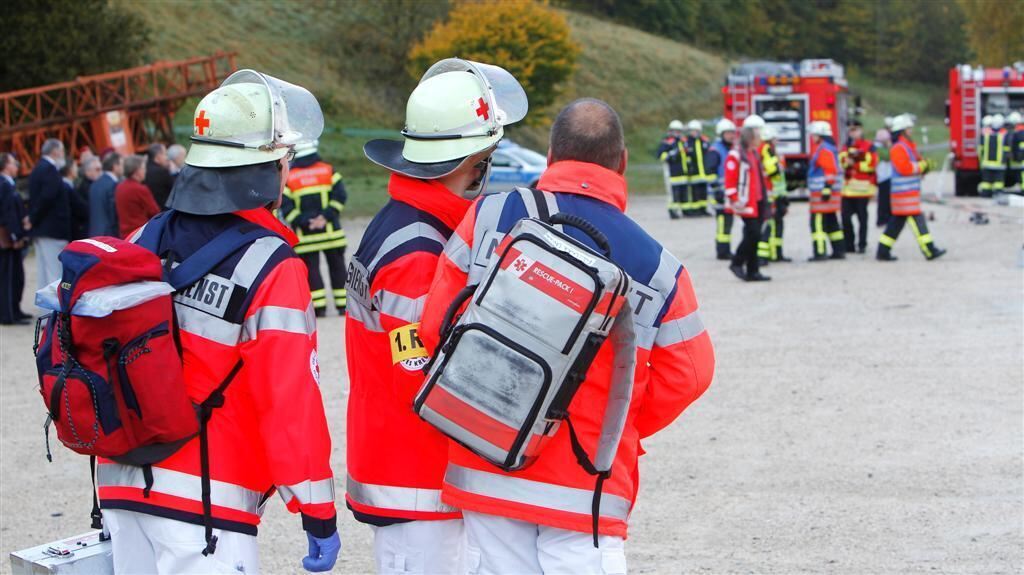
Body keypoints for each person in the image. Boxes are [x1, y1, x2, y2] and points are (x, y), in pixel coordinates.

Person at [419, 98, 715, 574]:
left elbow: (435, 325)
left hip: (486, 461)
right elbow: (691, 376)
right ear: (622, 163)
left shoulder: (490, 215)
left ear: (552, 155)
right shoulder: (660, 268)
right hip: (586, 483)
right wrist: (613, 425)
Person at [96, 69, 340, 574]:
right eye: (285, 159)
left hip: (119, 482)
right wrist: (316, 508)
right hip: (207, 497)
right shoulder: (270, 264)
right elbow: (289, 400)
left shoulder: (142, 239)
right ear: (267, 166)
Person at [346, 58, 526, 575]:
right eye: (486, 158)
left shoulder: (407, 222)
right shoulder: (418, 252)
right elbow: (420, 374)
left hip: (407, 468)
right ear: (470, 162)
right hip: (417, 479)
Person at [280, 141, 348, 316]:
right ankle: (343, 306)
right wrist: (325, 217)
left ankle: (319, 308)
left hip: (306, 237)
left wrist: (306, 222)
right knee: (338, 268)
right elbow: (340, 196)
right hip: (331, 234)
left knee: (312, 271)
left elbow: (286, 207)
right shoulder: (328, 170)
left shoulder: (290, 176)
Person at [877, 114, 946, 262]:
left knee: (895, 224)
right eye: (908, 128)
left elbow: (916, 162)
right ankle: (929, 250)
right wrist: (922, 166)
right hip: (903, 195)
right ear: (902, 130)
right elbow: (905, 168)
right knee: (917, 221)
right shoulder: (898, 148)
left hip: (907, 195)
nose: (911, 130)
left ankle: (882, 251)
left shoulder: (907, 146)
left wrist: (926, 165)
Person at [726, 115, 771, 282]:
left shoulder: (754, 154)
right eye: (758, 135)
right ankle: (737, 262)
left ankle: (753, 270)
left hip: (757, 201)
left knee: (755, 236)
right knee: (753, 233)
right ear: (750, 136)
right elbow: (730, 179)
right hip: (745, 202)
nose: (760, 139)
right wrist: (734, 198)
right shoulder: (736, 155)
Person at [28, 139, 74, 297]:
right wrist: (33, 218)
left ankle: (45, 307)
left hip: (42, 228)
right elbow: (47, 197)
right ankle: (56, 307)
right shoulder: (50, 170)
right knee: (55, 272)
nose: (63, 155)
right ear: (55, 151)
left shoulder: (38, 168)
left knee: (44, 272)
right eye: (62, 151)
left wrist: (33, 219)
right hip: (52, 228)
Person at [806, 121, 845, 261]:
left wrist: (827, 188)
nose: (812, 137)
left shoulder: (824, 149)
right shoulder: (829, 148)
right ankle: (839, 250)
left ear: (820, 135)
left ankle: (820, 252)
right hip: (828, 192)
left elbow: (830, 170)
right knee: (831, 221)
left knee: (817, 223)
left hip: (821, 193)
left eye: (814, 135)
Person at [0, 153, 30, 324]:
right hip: (8, 239)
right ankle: (8, 314)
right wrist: (15, 235)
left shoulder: (8, 184)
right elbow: (7, 213)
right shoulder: (4, 185)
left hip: (11, 236)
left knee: (16, 276)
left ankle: (15, 310)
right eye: (13, 163)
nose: (16, 166)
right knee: (9, 277)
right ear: (5, 166)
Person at [840, 121, 877, 254]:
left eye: (855, 129)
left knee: (862, 219)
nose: (853, 132)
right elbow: (842, 162)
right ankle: (849, 244)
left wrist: (854, 164)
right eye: (851, 130)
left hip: (863, 189)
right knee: (845, 218)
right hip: (848, 190)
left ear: (861, 130)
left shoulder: (869, 146)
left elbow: (871, 164)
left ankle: (862, 244)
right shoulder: (846, 146)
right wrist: (848, 163)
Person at [756, 124, 790, 263]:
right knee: (769, 224)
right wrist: (779, 166)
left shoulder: (768, 149)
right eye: (775, 138)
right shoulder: (766, 149)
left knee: (775, 224)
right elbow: (772, 170)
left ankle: (776, 253)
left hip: (775, 193)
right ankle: (764, 256)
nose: (777, 141)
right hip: (769, 193)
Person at [708, 118, 737, 259]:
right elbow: (710, 172)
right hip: (719, 194)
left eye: (732, 133)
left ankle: (726, 249)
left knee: (728, 221)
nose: (731, 135)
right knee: (722, 222)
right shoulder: (715, 150)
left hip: (727, 193)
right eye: (728, 133)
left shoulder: (730, 149)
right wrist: (716, 191)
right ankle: (722, 251)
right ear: (721, 134)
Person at [115, 155, 160, 238]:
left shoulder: (119, 187)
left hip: (125, 235)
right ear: (136, 171)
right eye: (143, 168)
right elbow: (154, 211)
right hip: (139, 233)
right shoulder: (140, 189)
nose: (145, 171)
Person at [657, 119, 689, 219]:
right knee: (673, 193)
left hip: (683, 173)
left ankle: (685, 211)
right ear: (670, 131)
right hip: (672, 173)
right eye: (675, 131)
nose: (677, 133)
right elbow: (661, 156)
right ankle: (672, 211)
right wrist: (672, 153)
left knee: (683, 193)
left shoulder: (682, 142)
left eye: (679, 131)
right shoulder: (667, 142)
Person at [88, 152, 122, 237]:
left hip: (95, 233)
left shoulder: (94, 184)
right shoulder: (113, 185)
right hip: (109, 234)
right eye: (121, 164)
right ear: (115, 166)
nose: (123, 167)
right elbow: (113, 213)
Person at [685, 119, 712, 216]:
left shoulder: (704, 141)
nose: (694, 133)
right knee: (695, 192)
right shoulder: (687, 142)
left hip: (703, 172)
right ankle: (695, 210)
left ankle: (703, 209)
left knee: (703, 192)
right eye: (693, 131)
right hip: (694, 172)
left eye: (696, 131)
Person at [75, 157, 101, 238]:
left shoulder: (92, 185)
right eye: (97, 170)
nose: (100, 172)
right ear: (88, 171)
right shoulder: (85, 187)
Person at [144, 143, 175, 208]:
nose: (167, 158)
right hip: (162, 209)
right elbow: (174, 189)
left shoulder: (143, 169)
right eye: (165, 154)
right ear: (158, 156)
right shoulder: (162, 172)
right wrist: (173, 173)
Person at [874, 127, 893, 227]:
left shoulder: (880, 147)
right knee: (883, 200)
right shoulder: (878, 148)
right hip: (883, 177)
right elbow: (888, 157)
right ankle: (882, 219)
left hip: (886, 176)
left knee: (886, 199)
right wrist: (890, 147)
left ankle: (887, 218)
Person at [1007, 111, 1024, 190]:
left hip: (1020, 159)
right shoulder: (1019, 131)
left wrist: (1018, 157)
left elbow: (1020, 146)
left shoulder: (1019, 132)